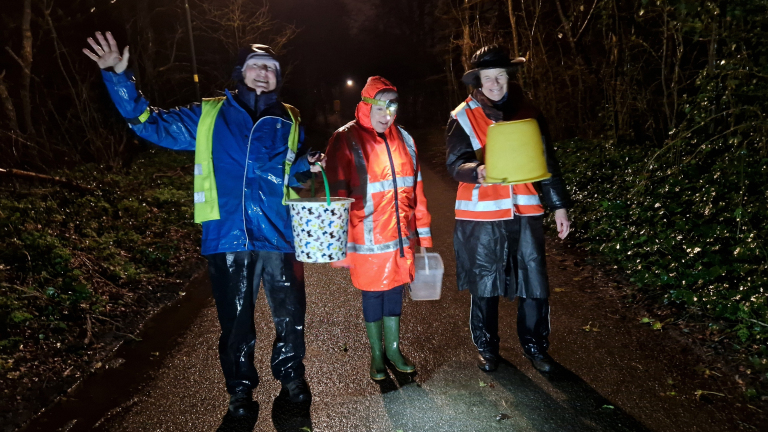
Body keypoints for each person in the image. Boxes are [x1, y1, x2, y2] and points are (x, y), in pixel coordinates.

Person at [83, 31, 324, 415]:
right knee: (235, 322)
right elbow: (149, 123)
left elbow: (291, 172)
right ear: (240, 73)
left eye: (271, 68)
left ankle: (292, 376)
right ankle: (241, 389)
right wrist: (118, 76)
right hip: (227, 234)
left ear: (278, 77)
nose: (263, 73)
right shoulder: (209, 114)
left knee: (291, 314)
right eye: (256, 66)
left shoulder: (290, 119)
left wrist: (306, 167)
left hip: (279, 233)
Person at [446, 45, 571, 373]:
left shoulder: (529, 111)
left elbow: (547, 162)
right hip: (482, 215)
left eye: (500, 76)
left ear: (508, 76)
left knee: (533, 282)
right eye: (488, 78)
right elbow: (454, 163)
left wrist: (559, 206)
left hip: (525, 212)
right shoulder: (462, 115)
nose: (495, 83)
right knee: (485, 282)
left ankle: (536, 348)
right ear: (479, 80)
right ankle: (487, 347)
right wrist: (476, 170)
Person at [324, 76, 432, 380]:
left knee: (396, 291)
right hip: (366, 240)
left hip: (399, 238)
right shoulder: (345, 139)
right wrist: (335, 245)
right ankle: (376, 355)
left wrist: (422, 233)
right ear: (366, 105)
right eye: (381, 108)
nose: (387, 116)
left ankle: (394, 350)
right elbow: (334, 196)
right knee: (373, 293)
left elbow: (417, 190)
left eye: (393, 109)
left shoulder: (406, 140)